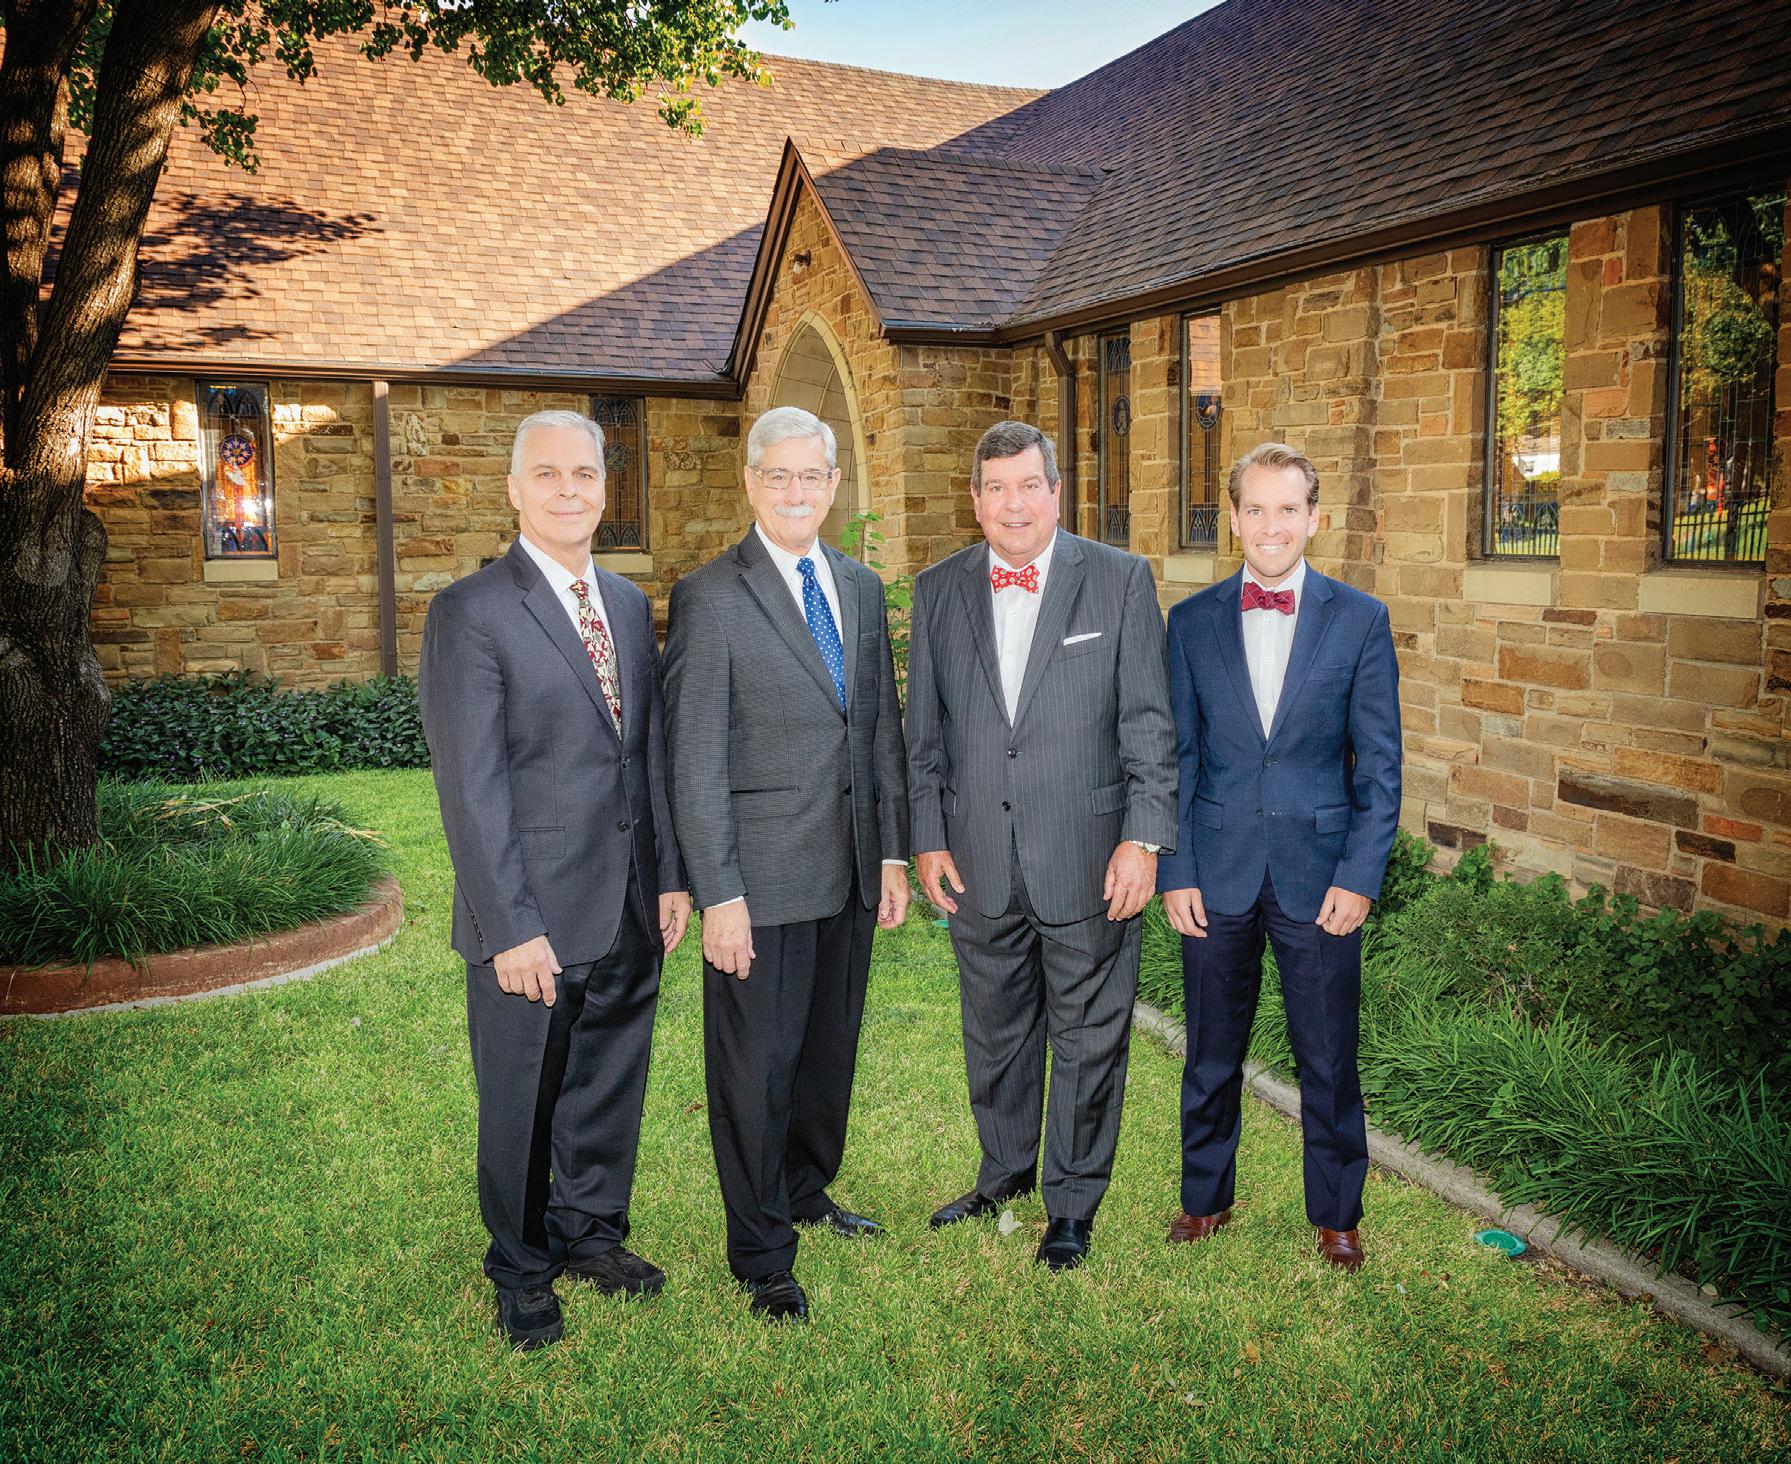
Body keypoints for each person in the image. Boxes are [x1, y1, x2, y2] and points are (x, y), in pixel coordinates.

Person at [419, 410, 690, 1350]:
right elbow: (472, 789)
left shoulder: (626, 604)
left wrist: (668, 877)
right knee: (524, 1097)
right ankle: (521, 1266)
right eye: (547, 473)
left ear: (605, 489)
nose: (568, 490)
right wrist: (510, 927)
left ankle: (589, 1234)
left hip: (627, 899)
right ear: (513, 489)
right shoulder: (470, 612)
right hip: (531, 914)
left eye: (584, 474)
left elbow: (644, 754)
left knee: (608, 1079)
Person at [905, 419, 1177, 1271]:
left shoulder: (1119, 580)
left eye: (1029, 485)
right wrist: (926, 839)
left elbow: (1148, 725)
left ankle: (1071, 1205)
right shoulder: (937, 589)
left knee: (1089, 1037)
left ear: (1056, 493)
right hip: (976, 856)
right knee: (994, 1030)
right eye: (996, 488)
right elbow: (923, 737)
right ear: (975, 499)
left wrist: (1142, 839)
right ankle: (1004, 1172)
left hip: (1088, 857)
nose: (1013, 504)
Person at [661, 405, 910, 1323]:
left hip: (849, 868)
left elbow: (876, 728)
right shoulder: (709, 595)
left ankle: (806, 1190)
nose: (796, 491)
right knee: (754, 1071)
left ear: (833, 485)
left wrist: (890, 852)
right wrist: (718, 891)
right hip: (758, 881)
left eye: (811, 476)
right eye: (779, 476)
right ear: (751, 483)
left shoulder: (859, 586)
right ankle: (762, 1252)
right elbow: (693, 757)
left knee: (824, 1056)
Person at [1158, 441, 1401, 1271]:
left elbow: (1379, 765)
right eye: (1254, 509)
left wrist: (1359, 877)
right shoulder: (1190, 622)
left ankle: (1336, 1215)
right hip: (1215, 870)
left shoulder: (1359, 619)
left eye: (1286, 509)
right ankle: (1204, 1198)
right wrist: (1176, 869)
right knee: (1209, 1053)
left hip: (1319, 876)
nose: (1270, 525)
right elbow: (1178, 759)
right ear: (1232, 520)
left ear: (1313, 518)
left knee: (1327, 1059)